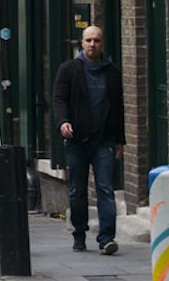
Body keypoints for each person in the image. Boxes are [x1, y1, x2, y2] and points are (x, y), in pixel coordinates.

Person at [52, 24, 125, 255]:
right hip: (77, 140)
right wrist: (63, 122)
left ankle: (106, 239)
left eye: (97, 40)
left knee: (105, 188)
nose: (92, 44)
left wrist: (119, 140)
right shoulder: (68, 69)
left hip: (104, 140)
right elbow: (59, 99)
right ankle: (79, 234)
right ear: (81, 43)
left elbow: (118, 108)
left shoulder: (112, 72)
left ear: (102, 44)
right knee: (77, 190)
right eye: (88, 40)